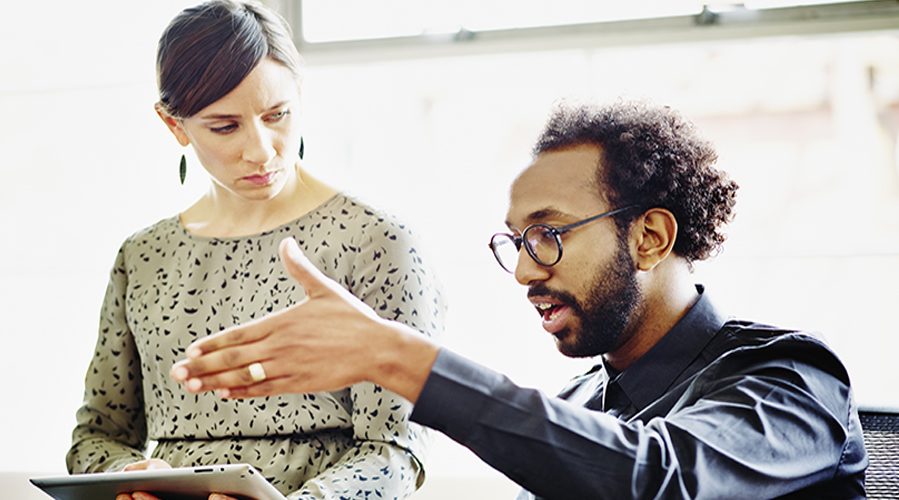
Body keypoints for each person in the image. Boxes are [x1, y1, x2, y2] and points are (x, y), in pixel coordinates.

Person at [170, 100, 868, 499]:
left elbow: (657, 481)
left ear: (650, 236)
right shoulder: (582, 404)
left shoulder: (789, 378)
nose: (523, 273)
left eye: (547, 236)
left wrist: (398, 355)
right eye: (514, 243)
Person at [65, 2, 447, 499]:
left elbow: (397, 448)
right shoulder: (142, 256)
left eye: (278, 115)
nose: (262, 149)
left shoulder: (376, 240)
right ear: (174, 125)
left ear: (300, 95)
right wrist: (125, 478)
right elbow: (97, 437)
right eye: (225, 127)